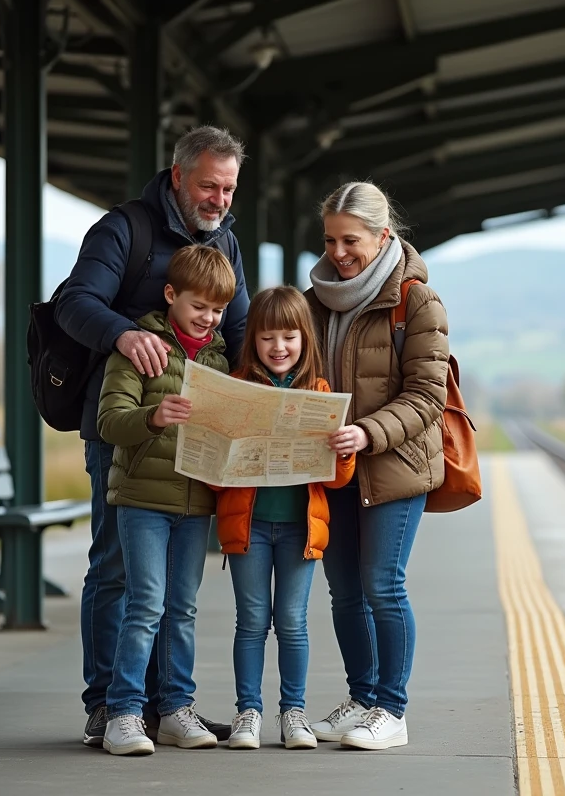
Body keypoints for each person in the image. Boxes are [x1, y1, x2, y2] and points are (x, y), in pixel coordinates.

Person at [55, 126, 249, 746]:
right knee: (118, 569)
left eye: (229, 188)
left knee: (175, 589)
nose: (218, 199)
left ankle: (169, 706)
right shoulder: (123, 230)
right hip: (123, 428)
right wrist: (124, 334)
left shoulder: (226, 243)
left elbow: (240, 329)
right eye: (208, 185)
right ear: (177, 177)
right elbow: (74, 301)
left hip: (192, 440)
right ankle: (109, 704)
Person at [304, 182, 449, 751]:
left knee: (382, 586)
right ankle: (361, 698)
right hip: (331, 465)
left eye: (351, 241)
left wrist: (367, 431)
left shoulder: (416, 301)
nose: (339, 253)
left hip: (393, 466)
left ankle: (391, 709)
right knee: (343, 591)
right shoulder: (314, 299)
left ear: (383, 236)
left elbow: (427, 396)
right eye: (330, 240)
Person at [95, 244, 236, 756]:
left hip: (196, 502)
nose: (209, 318)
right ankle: (125, 713)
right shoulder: (138, 348)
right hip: (142, 499)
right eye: (199, 306)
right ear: (171, 295)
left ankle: (176, 708)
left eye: (218, 310)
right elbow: (109, 422)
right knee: (145, 605)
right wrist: (153, 418)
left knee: (182, 609)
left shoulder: (221, 358)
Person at [210, 287, 357, 751]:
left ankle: (293, 712)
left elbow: (335, 481)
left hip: (300, 527)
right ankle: (247, 713)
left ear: (304, 340)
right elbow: (215, 480)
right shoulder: (237, 390)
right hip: (247, 525)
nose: (279, 347)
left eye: (289, 336)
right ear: (253, 339)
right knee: (251, 621)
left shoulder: (319, 394)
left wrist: (343, 451)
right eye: (268, 337)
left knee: (293, 622)